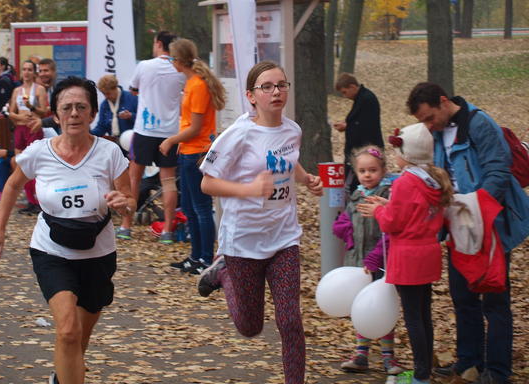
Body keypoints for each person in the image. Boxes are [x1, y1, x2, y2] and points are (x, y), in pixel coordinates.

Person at [0, 76, 135, 384]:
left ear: (93, 113)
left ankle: (62, 374)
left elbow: (130, 200)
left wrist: (124, 204)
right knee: (67, 331)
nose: (74, 113)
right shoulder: (39, 152)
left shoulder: (109, 153)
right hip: (52, 249)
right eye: (66, 108)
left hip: (98, 252)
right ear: (55, 115)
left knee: (79, 338)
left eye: (81, 107)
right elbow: (12, 185)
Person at [197, 61, 323, 384]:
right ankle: (223, 273)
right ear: (251, 96)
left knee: (290, 320)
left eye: (281, 85)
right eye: (267, 87)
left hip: (284, 237)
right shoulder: (238, 135)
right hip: (244, 241)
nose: (276, 91)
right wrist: (249, 190)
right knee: (250, 326)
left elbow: (288, 160)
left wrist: (306, 179)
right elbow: (207, 183)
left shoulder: (292, 130)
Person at [406, 82, 529, 384]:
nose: (428, 125)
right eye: (423, 121)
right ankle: (469, 362)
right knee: (463, 296)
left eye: (430, 117)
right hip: (457, 223)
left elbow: (498, 172)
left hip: (488, 223)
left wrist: (477, 210)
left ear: (444, 101)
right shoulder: (438, 131)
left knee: (494, 300)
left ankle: (497, 370)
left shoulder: (480, 124)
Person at [358, 123, 454, 384]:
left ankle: (420, 376)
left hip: (407, 258)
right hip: (427, 253)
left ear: (407, 154)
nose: (394, 156)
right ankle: (424, 369)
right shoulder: (432, 179)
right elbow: (415, 212)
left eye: (397, 151)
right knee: (423, 314)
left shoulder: (405, 182)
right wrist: (388, 205)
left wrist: (379, 211)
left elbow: (392, 223)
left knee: (413, 317)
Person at [331, 146, 403, 376]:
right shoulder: (356, 195)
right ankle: (361, 354)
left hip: (382, 263)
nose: (367, 175)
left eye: (373, 170)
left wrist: (376, 257)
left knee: (381, 308)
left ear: (383, 170)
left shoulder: (387, 195)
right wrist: (344, 227)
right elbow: (345, 220)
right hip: (358, 263)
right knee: (362, 308)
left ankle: (388, 357)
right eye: (362, 171)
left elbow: (390, 230)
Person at [158, 38, 226, 274]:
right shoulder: (190, 83)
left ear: (179, 60)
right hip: (188, 151)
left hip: (198, 152)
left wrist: (171, 140)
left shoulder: (198, 85)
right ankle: (195, 256)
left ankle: (206, 259)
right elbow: (189, 123)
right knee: (188, 206)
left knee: (201, 208)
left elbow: (196, 128)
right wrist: (180, 142)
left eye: (172, 58)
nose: (171, 62)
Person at [116, 31, 185, 242]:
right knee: (169, 182)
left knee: (134, 178)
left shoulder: (145, 66)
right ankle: (167, 230)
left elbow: (133, 89)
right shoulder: (180, 69)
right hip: (170, 132)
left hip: (145, 130)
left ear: (159, 44)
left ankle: (126, 226)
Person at [332, 73, 384, 194]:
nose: (345, 96)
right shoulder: (361, 99)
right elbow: (359, 122)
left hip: (363, 150)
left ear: (352, 87)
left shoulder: (366, 99)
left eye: (345, 92)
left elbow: (365, 127)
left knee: (356, 185)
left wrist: (348, 126)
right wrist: (347, 125)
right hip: (359, 150)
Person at [8, 60, 48, 215]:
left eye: (30, 69)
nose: (26, 72)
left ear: (34, 72)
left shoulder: (39, 89)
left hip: (33, 128)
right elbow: (11, 112)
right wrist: (19, 117)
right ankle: (30, 200)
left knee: (34, 165)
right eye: (24, 69)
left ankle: (39, 201)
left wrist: (31, 107)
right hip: (20, 128)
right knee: (20, 164)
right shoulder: (17, 90)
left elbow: (44, 112)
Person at [91, 74, 137, 142]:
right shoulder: (104, 105)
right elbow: (101, 127)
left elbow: (143, 120)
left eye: (108, 93)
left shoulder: (133, 98)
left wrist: (131, 116)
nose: (106, 96)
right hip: (114, 143)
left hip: (132, 142)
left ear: (115, 88)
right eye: (104, 94)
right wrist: (88, 134)